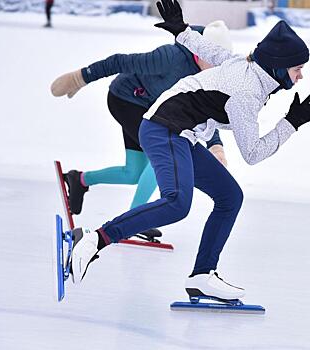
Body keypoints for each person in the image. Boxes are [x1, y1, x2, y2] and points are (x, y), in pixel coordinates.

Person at [69, 0, 310, 301]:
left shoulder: (244, 67)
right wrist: (291, 123)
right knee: (177, 202)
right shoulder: (246, 94)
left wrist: (183, 31)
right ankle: (95, 240)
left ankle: (203, 274)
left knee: (230, 197)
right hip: (165, 128)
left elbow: (211, 52)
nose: (300, 76)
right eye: (298, 69)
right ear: (279, 67)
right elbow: (253, 153)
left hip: (180, 133)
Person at [50, 21, 232, 238]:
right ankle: (135, 219)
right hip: (126, 100)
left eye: (221, 61)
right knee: (160, 159)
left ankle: (79, 180)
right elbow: (121, 61)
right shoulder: (170, 58)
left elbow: (205, 112)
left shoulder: (210, 74)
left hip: (155, 111)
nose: (216, 66)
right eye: (212, 58)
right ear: (199, 50)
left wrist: (216, 145)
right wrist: (81, 77)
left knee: (134, 172)